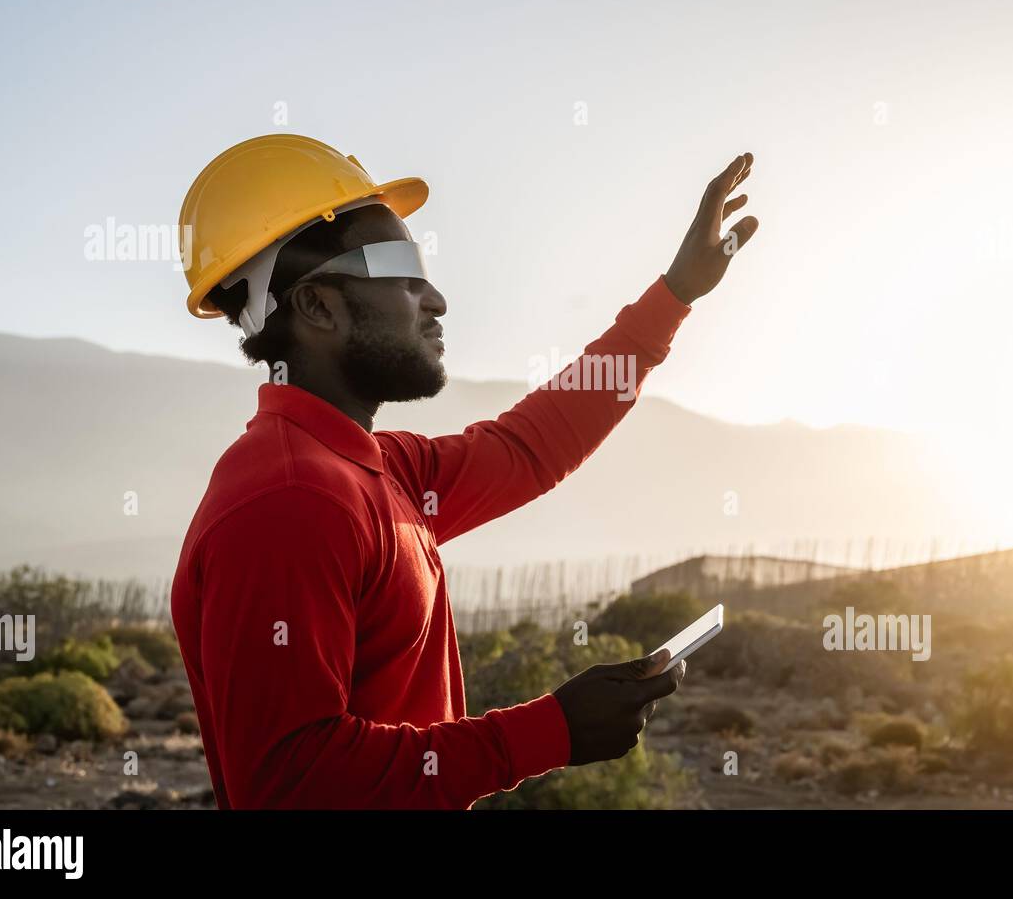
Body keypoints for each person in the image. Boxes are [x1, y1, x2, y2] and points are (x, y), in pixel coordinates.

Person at [170, 134, 758, 808]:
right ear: (316, 306)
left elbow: (530, 447)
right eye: (400, 266)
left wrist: (676, 293)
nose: (436, 299)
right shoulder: (289, 500)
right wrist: (549, 732)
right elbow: (291, 784)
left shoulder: (375, 466)